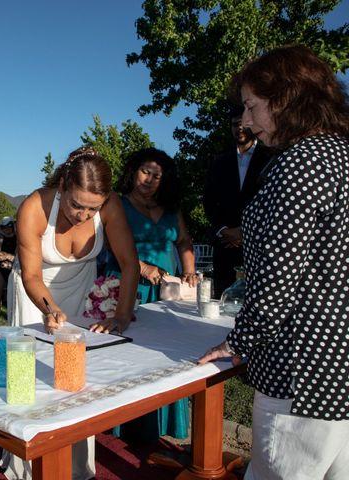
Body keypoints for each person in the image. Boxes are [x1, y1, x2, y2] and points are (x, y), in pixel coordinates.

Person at [199, 45, 349, 479]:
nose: (245, 120)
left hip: (301, 373)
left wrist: (238, 343)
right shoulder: (339, 155)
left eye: (251, 106)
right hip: (335, 372)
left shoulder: (300, 163)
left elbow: (278, 281)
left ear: (286, 98)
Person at [2, 147, 139, 480]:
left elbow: (129, 264)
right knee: (31, 383)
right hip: (35, 294)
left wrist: (121, 315)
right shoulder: (34, 207)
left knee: (76, 382)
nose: (82, 214)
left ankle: (77, 466)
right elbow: (32, 275)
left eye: (92, 208)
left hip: (83, 293)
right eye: (76, 204)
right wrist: (50, 310)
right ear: (62, 186)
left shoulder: (109, 205)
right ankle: (28, 465)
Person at [105, 147, 196, 444]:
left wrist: (189, 272)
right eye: (145, 172)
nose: (149, 179)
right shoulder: (117, 203)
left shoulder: (172, 208)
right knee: (134, 355)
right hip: (132, 286)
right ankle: (128, 424)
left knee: (166, 356)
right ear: (133, 172)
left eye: (157, 176)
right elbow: (109, 243)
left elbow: (184, 241)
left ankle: (163, 423)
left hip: (167, 290)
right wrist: (142, 268)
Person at [203, 106, 271, 297]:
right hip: (224, 246)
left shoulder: (270, 158)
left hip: (258, 246)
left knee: (258, 300)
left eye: (243, 124)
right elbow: (209, 201)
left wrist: (245, 231)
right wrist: (223, 230)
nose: (239, 128)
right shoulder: (218, 160)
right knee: (222, 301)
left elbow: (272, 201)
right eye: (234, 125)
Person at [0, 215, 17, 310]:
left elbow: (16, 256)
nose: (6, 230)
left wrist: (6, 256)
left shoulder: (18, 237)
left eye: (7, 227)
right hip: (3, 263)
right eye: (4, 228)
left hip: (14, 264)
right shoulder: (1, 237)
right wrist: (4, 256)